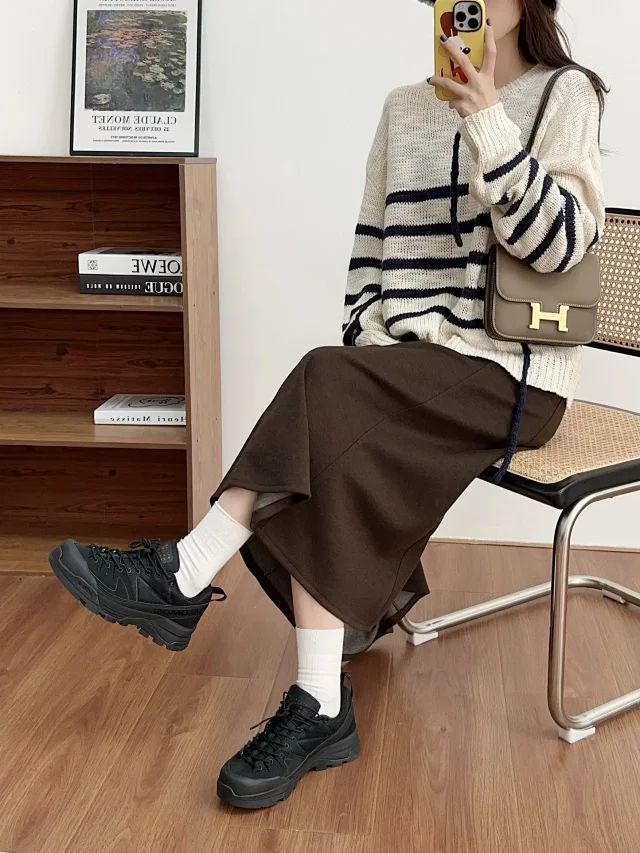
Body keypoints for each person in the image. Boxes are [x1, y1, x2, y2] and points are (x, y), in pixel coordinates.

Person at [48, 0, 607, 811]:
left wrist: (489, 119)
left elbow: (559, 248)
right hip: (404, 371)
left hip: (512, 375)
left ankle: (185, 572)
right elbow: (370, 255)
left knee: (327, 389)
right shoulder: (403, 108)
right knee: (334, 413)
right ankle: (317, 702)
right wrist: (368, 350)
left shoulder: (565, 95)